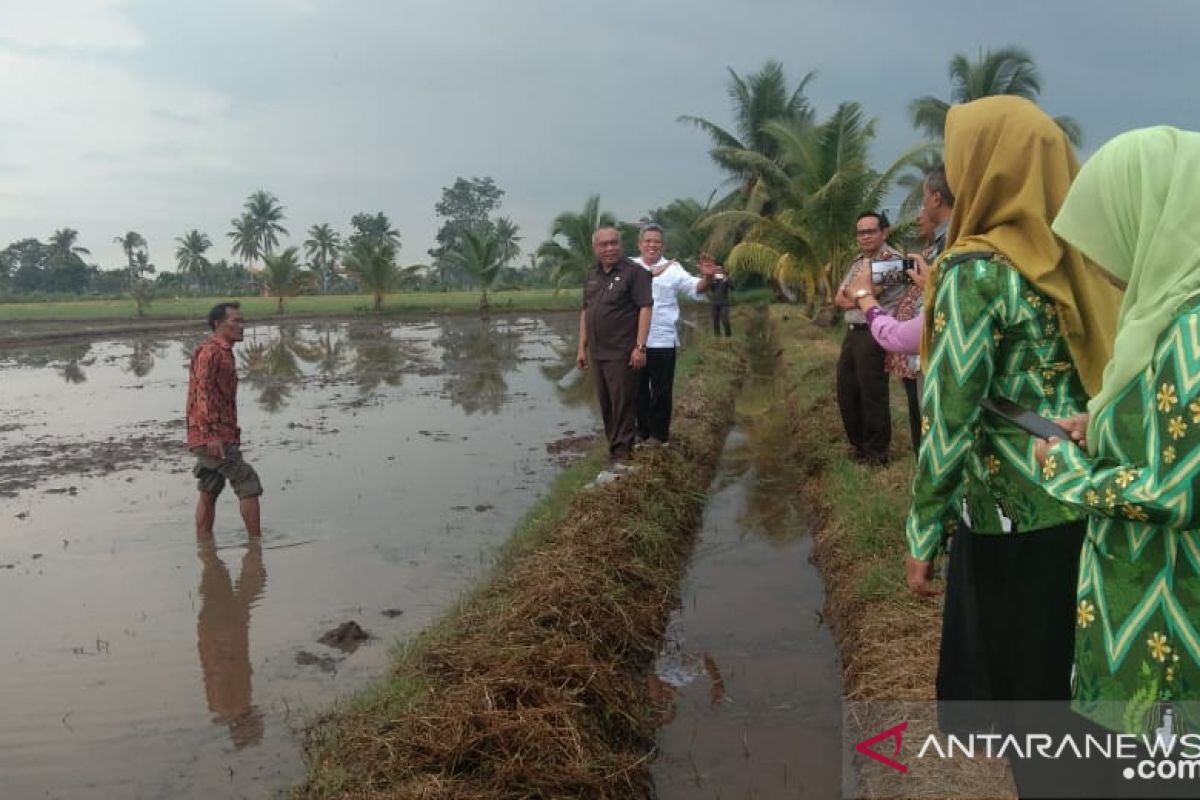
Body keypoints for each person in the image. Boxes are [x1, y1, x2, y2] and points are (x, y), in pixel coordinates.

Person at [902, 96, 1120, 795]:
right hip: (1090, 495)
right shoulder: (1083, 257)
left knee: (1030, 696)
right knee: (1077, 675)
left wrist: (923, 529)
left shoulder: (975, 270)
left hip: (1012, 513)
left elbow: (953, 415)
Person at [1030, 128, 1199, 792]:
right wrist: (1098, 425)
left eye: (1105, 237)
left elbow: (1180, 492)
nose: (1098, 265)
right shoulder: (1165, 315)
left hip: (1168, 616)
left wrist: (1068, 473)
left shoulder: (1189, 333)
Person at [850, 168, 957, 452]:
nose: (919, 214)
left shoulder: (951, 245)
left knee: (929, 420)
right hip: (917, 348)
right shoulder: (926, 254)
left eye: (923, 202)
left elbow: (860, 288)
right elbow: (852, 290)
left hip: (924, 342)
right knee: (918, 412)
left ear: (935, 199)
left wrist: (863, 292)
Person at [834, 211, 906, 464]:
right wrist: (858, 294)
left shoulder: (892, 261)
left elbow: (865, 293)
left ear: (883, 233)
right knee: (847, 389)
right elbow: (840, 299)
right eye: (860, 233)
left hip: (875, 334)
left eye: (870, 231)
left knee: (872, 393)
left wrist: (855, 294)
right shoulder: (858, 262)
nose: (864, 237)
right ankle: (859, 447)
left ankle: (877, 454)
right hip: (853, 333)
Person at [631, 223, 713, 445]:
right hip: (634, 342)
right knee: (637, 391)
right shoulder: (628, 267)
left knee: (661, 391)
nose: (652, 245)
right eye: (647, 241)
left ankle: (658, 435)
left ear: (662, 245)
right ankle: (641, 431)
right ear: (639, 244)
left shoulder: (673, 269)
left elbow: (695, 288)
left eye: (656, 241)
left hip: (663, 340)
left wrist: (707, 278)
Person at [577, 226, 653, 463]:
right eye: (604, 244)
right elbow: (586, 311)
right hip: (598, 353)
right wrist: (582, 347)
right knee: (607, 405)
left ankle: (622, 455)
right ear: (595, 248)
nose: (610, 248)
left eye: (614, 243)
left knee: (623, 405)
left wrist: (640, 347)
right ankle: (615, 449)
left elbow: (645, 308)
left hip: (622, 352)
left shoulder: (635, 273)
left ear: (621, 244)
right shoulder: (592, 275)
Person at [187, 302, 263, 538]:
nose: (242, 326)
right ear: (218, 324)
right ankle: (255, 545)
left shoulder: (224, 352)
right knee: (246, 480)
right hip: (211, 435)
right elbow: (203, 392)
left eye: (243, 321)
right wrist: (211, 434)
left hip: (219, 432)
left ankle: (204, 547)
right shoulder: (210, 352)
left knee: (210, 487)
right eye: (236, 321)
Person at [707, 259, 734, 337]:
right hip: (714, 303)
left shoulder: (726, 278)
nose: (718, 271)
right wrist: (712, 281)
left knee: (725, 320)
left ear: (722, 270)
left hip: (724, 303)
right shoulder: (713, 279)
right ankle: (717, 339)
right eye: (717, 269)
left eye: (720, 269)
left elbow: (733, 287)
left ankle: (728, 336)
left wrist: (727, 280)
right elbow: (710, 290)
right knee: (715, 322)